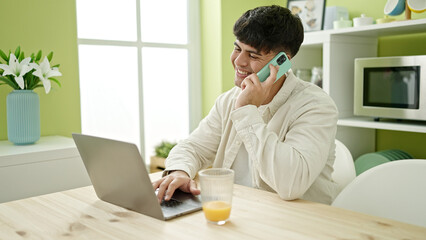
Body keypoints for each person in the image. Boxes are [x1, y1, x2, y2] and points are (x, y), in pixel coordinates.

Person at [153, 5, 339, 205]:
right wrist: (180, 171)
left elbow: (290, 184)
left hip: (299, 223)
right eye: (237, 48)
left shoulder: (316, 106)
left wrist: (246, 111)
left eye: (253, 55)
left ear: (282, 62)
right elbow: (193, 147)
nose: (238, 61)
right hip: (239, 212)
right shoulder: (229, 99)